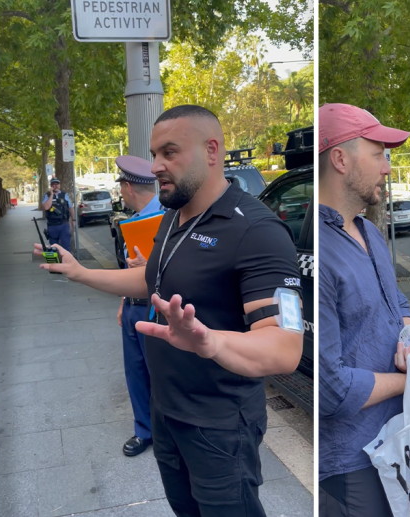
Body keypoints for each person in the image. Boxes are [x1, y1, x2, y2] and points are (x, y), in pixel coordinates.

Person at [35, 105, 303, 516]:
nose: (156, 165)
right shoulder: (175, 215)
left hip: (219, 426)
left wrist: (209, 341)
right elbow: (151, 282)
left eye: (169, 152)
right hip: (167, 412)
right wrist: (81, 273)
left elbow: (285, 348)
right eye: (154, 153)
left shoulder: (257, 231)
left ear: (211, 150)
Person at [317, 103, 410, 517]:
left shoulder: (369, 229)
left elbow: (397, 305)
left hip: (398, 438)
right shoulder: (320, 250)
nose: (387, 167)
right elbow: (331, 389)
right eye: (378, 154)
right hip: (353, 458)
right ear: (340, 158)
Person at [113, 154, 163, 457]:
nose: (120, 192)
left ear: (129, 186)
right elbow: (129, 269)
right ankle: (144, 431)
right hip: (133, 305)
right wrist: (123, 301)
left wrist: (150, 269)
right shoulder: (131, 223)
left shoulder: (168, 217)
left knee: (160, 372)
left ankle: (168, 431)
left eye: (121, 187)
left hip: (156, 307)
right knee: (135, 371)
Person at [41, 177, 75, 250]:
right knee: (54, 247)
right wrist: (51, 195)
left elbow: (70, 208)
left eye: (57, 184)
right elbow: (46, 207)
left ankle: (67, 261)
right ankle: (57, 261)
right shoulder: (47, 195)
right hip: (52, 225)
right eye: (53, 184)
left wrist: (73, 220)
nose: (55, 186)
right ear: (51, 186)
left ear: (59, 185)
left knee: (66, 246)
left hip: (64, 224)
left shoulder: (64, 195)